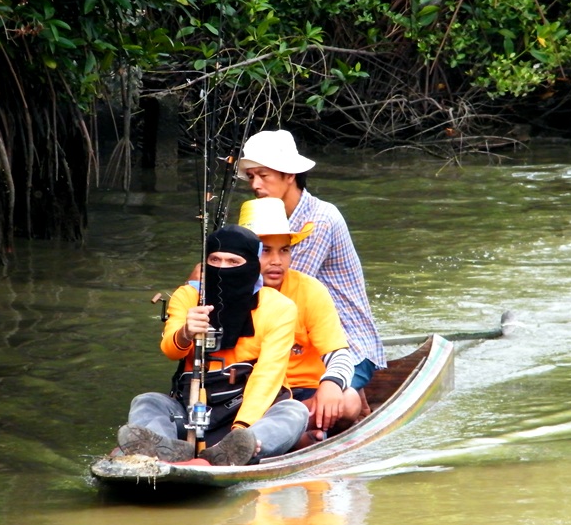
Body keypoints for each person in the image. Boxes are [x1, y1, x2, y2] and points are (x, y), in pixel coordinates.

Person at [117, 225, 309, 466]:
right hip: (192, 405)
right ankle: (163, 452)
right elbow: (170, 349)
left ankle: (237, 451)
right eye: (215, 260)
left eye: (233, 261)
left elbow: (267, 376)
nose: (222, 268)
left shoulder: (279, 307)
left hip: (249, 410)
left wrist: (241, 430)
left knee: (294, 412)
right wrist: (187, 332)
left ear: (250, 264)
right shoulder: (187, 296)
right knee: (147, 401)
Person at [237, 129, 387, 401]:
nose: (255, 185)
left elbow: (280, 294)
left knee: (330, 405)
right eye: (251, 176)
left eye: (263, 175)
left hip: (344, 343)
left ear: (289, 175)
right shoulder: (263, 219)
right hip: (296, 343)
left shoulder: (318, 220)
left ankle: (353, 399)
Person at [238, 197, 361, 445]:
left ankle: (292, 434)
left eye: (284, 250)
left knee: (350, 401)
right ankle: (296, 436)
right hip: (249, 395)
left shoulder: (310, 290)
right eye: (265, 250)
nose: (276, 261)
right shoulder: (228, 290)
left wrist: (332, 383)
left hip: (306, 393)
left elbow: (339, 354)